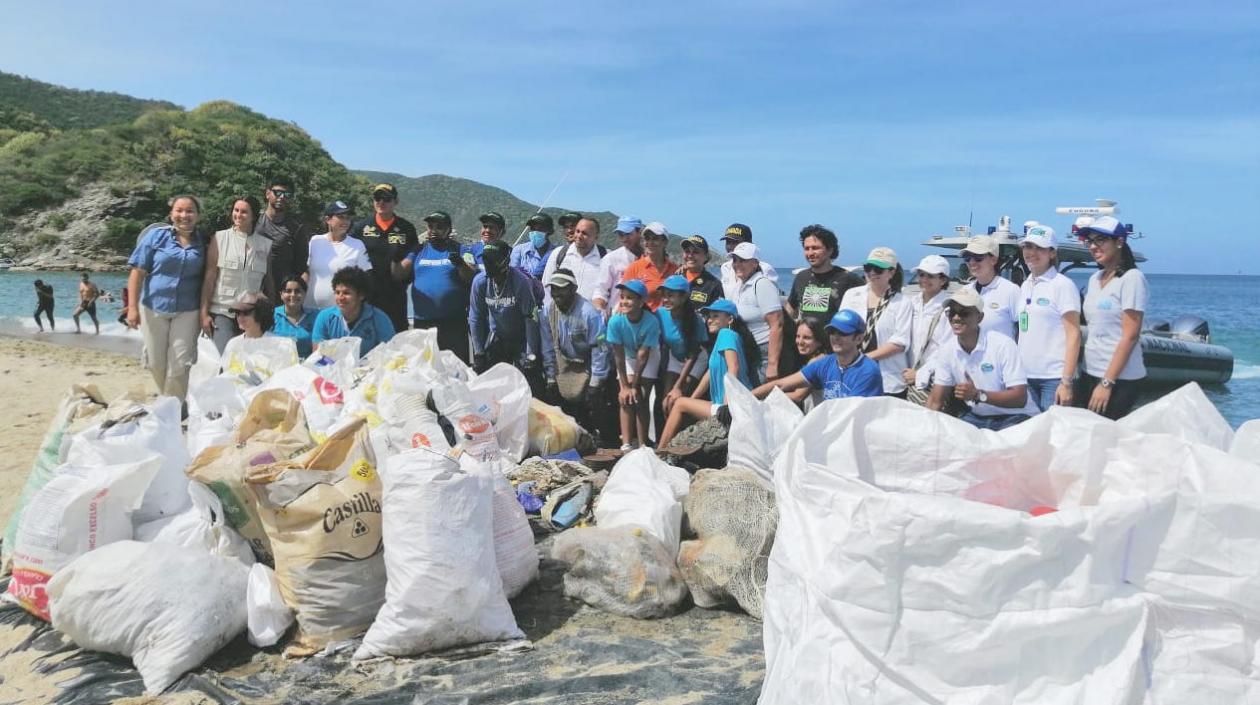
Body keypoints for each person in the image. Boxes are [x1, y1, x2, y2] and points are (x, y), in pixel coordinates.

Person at [126, 194, 207, 402]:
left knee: (180, 364)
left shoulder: (205, 241)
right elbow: (137, 272)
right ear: (171, 214)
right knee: (156, 363)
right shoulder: (156, 237)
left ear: (198, 215)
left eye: (190, 211)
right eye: (179, 210)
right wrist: (132, 308)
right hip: (153, 307)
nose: (184, 215)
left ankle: (173, 408)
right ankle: (170, 401)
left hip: (188, 309)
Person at [928, 287, 1038, 430]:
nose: (956, 317)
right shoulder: (947, 350)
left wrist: (978, 395)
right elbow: (935, 401)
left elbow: (1020, 398)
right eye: (952, 313)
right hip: (976, 418)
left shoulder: (1003, 345)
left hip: (1015, 416)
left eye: (964, 312)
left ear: (980, 317)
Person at [655, 299, 759, 450]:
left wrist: (726, 404)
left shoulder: (726, 334)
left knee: (679, 404)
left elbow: (733, 367)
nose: (710, 320)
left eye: (716, 316)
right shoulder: (728, 337)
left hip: (732, 407)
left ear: (730, 319)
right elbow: (709, 374)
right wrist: (692, 399)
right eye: (709, 316)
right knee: (684, 404)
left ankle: (660, 452)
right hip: (730, 404)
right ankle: (670, 450)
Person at [1076, 216, 1147, 419]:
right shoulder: (1094, 279)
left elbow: (1130, 336)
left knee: (1105, 440)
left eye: (1101, 240)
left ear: (1120, 242)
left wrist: (1107, 383)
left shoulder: (1131, 278)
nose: (1093, 246)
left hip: (1119, 379)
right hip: (1090, 371)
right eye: (1090, 241)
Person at [1017, 225, 1082, 412]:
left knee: (1053, 436)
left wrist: (1066, 382)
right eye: (1028, 246)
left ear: (1052, 253)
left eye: (1039, 248)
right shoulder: (1025, 285)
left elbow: (1074, 334)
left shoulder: (1062, 285)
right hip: (1025, 377)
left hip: (1053, 379)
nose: (1032, 252)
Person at [752, 309, 883, 402]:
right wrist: (748, 396)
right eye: (832, 332)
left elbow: (852, 414)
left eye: (842, 333)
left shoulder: (868, 371)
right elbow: (781, 384)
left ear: (859, 339)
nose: (836, 337)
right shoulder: (826, 363)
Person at [539, 268, 609, 435]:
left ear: (573, 289)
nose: (556, 293)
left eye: (561, 288)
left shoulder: (589, 313)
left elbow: (600, 349)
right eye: (553, 289)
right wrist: (550, 376)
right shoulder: (548, 311)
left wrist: (596, 382)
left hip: (588, 365)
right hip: (563, 366)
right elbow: (547, 346)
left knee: (594, 411)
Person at [400, 210, 475, 363]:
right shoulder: (418, 250)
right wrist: (394, 255)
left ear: (448, 229)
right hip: (423, 323)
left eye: (439, 227)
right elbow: (400, 272)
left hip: (453, 324)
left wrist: (461, 264)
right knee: (424, 371)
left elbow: (472, 277)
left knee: (457, 372)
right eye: (430, 226)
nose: (433, 230)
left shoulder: (462, 250)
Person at [200, 195, 272, 353]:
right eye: (236, 210)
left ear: (254, 216)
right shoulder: (219, 239)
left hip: (253, 314)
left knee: (249, 360)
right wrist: (204, 313)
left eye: (244, 212)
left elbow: (268, 282)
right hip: (223, 311)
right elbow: (210, 278)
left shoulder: (265, 244)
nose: (238, 215)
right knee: (223, 357)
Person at [838, 247, 913, 397]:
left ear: (891, 272)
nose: (872, 273)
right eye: (868, 268)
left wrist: (861, 360)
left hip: (887, 379)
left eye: (878, 269)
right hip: (853, 375)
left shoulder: (902, 302)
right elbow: (840, 328)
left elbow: (899, 343)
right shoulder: (852, 295)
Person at [350, 183, 419, 333]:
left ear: (396, 201)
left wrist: (404, 267)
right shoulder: (361, 227)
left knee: (395, 345)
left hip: (395, 297)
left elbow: (413, 253)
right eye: (377, 198)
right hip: (366, 298)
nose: (381, 202)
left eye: (386, 199)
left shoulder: (406, 228)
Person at [605, 279, 662, 450]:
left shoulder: (651, 321)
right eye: (622, 297)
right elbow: (619, 355)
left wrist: (634, 385)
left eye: (630, 298)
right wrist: (624, 386)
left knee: (641, 396)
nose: (624, 301)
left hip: (649, 356)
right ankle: (626, 443)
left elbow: (643, 355)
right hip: (628, 357)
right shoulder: (616, 321)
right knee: (625, 397)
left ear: (641, 301)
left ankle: (643, 443)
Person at [469, 240, 542, 376]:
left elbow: (531, 318)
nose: (489, 264)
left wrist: (531, 353)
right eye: (486, 260)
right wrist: (479, 352)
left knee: (529, 379)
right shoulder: (480, 283)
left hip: (521, 338)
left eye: (493, 260)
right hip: (498, 337)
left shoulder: (521, 282)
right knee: (491, 379)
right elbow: (475, 317)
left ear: (505, 261)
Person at [657, 275, 710, 431]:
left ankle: (681, 439)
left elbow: (693, 354)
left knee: (677, 399)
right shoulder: (660, 313)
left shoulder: (696, 321)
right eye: (664, 295)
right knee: (666, 400)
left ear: (684, 297)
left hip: (695, 359)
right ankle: (669, 439)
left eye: (671, 296)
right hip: (676, 356)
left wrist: (678, 386)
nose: (666, 299)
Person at [785, 224, 864, 326]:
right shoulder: (801, 277)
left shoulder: (848, 278)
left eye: (815, 248)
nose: (810, 253)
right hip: (806, 340)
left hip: (835, 340)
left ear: (830, 250)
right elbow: (790, 310)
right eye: (806, 248)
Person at [729, 242, 785, 382]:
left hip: (763, 352)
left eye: (743, 260)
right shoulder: (739, 286)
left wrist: (772, 365)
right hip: (747, 350)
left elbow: (777, 324)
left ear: (755, 263)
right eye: (735, 260)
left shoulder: (762, 284)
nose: (737, 264)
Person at [903, 255, 955, 403]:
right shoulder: (911, 303)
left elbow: (948, 349)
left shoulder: (949, 308)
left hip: (933, 380)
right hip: (907, 377)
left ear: (943, 280)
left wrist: (919, 374)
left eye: (930, 276)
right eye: (921, 275)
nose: (924, 280)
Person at [311, 266, 395, 356]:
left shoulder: (379, 318)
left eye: (346, 293)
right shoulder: (324, 317)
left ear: (361, 295)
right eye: (337, 292)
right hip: (332, 368)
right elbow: (317, 355)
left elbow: (390, 353)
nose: (340, 298)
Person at [306, 201, 371, 310]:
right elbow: (305, 273)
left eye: (347, 217)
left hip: (341, 313)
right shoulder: (315, 241)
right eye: (341, 217)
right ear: (328, 220)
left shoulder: (357, 245)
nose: (345, 221)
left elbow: (364, 280)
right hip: (310, 310)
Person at [220, 293, 298, 379]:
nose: (240, 317)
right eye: (237, 313)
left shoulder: (282, 346)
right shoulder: (233, 344)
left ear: (261, 314)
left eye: (246, 313)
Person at [960, 235, 1021, 340]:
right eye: (967, 257)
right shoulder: (964, 291)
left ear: (993, 259)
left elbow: (1024, 330)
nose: (971, 262)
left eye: (978, 257)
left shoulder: (1011, 291)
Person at [255, 177, 308, 294]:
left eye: (287, 194)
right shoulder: (253, 221)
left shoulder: (296, 228)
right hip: (251, 288)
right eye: (277, 192)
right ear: (268, 194)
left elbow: (302, 268)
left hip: (281, 293)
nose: (282, 197)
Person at [541, 216, 606, 305]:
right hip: (560, 315)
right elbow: (546, 287)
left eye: (584, 233)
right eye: (577, 231)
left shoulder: (606, 258)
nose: (579, 236)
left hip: (593, 316)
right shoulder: (559, 254)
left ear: (596, 237)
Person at [620, 222, 678, 311]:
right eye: (647, 239)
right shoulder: (634, 268)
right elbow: (624, 299)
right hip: (644, 322)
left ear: (665, 242)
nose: (650, 242)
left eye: (655, 239)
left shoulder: (675, 270)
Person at [593, 216, 644, 316]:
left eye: (628, 234)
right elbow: (601, 290)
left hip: (645, 320)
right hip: (618, 319)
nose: (624, 238)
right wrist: (601, 312)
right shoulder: (611, 259)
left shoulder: (650, 259)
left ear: (640, 233)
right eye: (621, 235)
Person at [719, 223, 778, 298]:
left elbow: (771, 299)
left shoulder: (765, 269)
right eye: (728, 242)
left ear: (749, 244)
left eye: (735, 242)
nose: (730, 246)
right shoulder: (725, 267)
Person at [780, 319, 829, 408]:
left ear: (819, 341)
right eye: (798, 336)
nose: (800, 342)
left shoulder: (817, 361)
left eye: (807, 338)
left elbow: (798, 396)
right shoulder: (817, 358)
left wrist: (767, 396)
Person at [271, 275, 316, 358]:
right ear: (281, 294)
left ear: (305, 294)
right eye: (288, 291)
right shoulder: (272, 315)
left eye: (297, 291)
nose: (293, 295)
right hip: (278, 365)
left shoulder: (316, 316)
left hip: (308, 366)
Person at [678, 235, 723, 307]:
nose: (690, 255)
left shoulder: (713, 285)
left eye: (696, 252)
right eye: (687, 251)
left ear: (706, 256)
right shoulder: (674, 278)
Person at [510, 212, 557, 280]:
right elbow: (513, 277)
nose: (535, 232)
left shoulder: (556, 253)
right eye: (533, 229)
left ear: (549, 231)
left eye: (540, 229)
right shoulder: (519, 250)